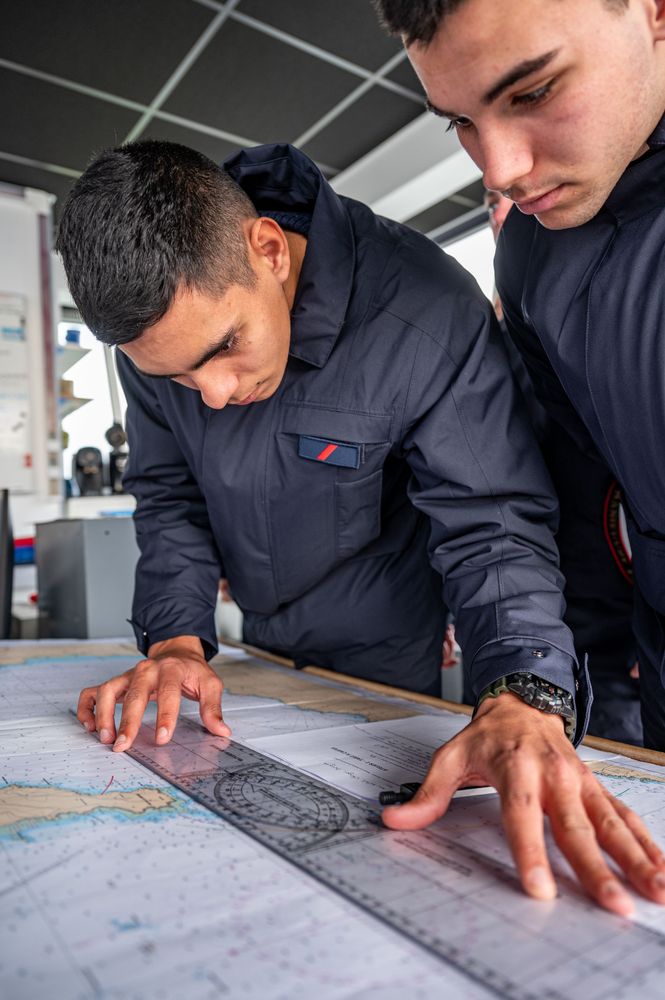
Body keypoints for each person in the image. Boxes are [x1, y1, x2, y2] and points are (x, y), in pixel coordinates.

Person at [55, 139, 663, 917]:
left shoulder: (425, 310)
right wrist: (175, 641)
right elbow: (169, 496)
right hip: (256, 644)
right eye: (174, 376)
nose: (209, 395)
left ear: (268, 250)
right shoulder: (157, 335)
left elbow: (492, 518)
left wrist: (519, 689)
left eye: (224, 349)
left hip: (383, 642)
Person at [374, 0, 665, 905]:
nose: (499, 167)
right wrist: (555, 705)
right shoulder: (531, 253)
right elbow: (583, 502)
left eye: (532, 90)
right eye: (461, 121)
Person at [485, 188, 640, 744]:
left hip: (623, 627)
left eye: (510, 199)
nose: (505, 210)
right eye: (490, 202)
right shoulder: (489, 350)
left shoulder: (612, 323)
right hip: (529, 620)